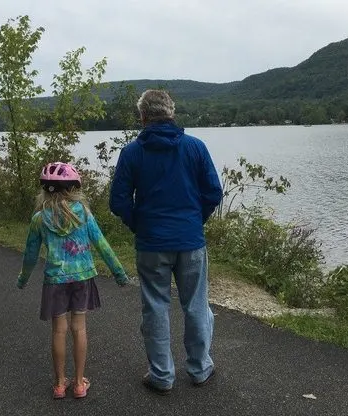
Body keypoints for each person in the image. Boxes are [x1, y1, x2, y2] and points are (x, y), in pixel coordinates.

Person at [109, 89, 223, 395]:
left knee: (155, 308)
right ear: (171, 113)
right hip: (190, 242)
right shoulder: (195, 147)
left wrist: (139, 224)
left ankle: (161, 376)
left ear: (143, 117)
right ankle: (200, 369)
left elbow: (118, 200)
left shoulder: (132, 152)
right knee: (196, 305)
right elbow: (213, 192)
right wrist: (194, 221)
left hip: (151, 244)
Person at [17, 162, 130, 399]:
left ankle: (59, 384)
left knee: (59, 331)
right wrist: (119, 273)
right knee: (79, 329)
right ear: (73, 188)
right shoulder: (84, 214)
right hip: (82, 278)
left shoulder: (39, 219)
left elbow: (30, 254)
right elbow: (102, 245)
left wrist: (23, 279)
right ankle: (79, 384)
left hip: (55, 280)